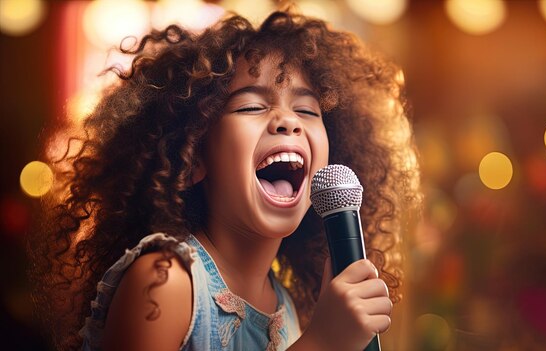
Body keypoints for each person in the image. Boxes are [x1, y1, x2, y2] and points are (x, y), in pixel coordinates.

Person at [28, 9, 420, 351]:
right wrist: (322, 344)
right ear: (193, 157)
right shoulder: (165, 281)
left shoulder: (284, 308)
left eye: (307, 109)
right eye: (251, 105)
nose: (288, 121)